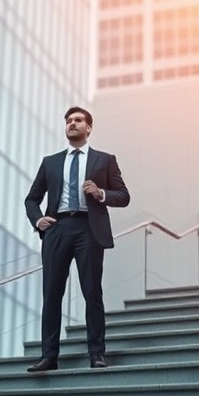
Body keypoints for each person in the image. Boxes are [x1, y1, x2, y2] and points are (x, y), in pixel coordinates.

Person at [24, 106, 130, 371]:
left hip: (88, 229)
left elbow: (124, 196)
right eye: (69, 121)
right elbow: (32, 198)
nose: (72, 124)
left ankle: (96, 353)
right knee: (51, 294)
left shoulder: (104, 160)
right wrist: (38, 220)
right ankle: (49, 356)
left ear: (89, 128)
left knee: (92, 291)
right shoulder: (50, 162)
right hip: (57, 229)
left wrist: (100, 193)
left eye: (78, 120)